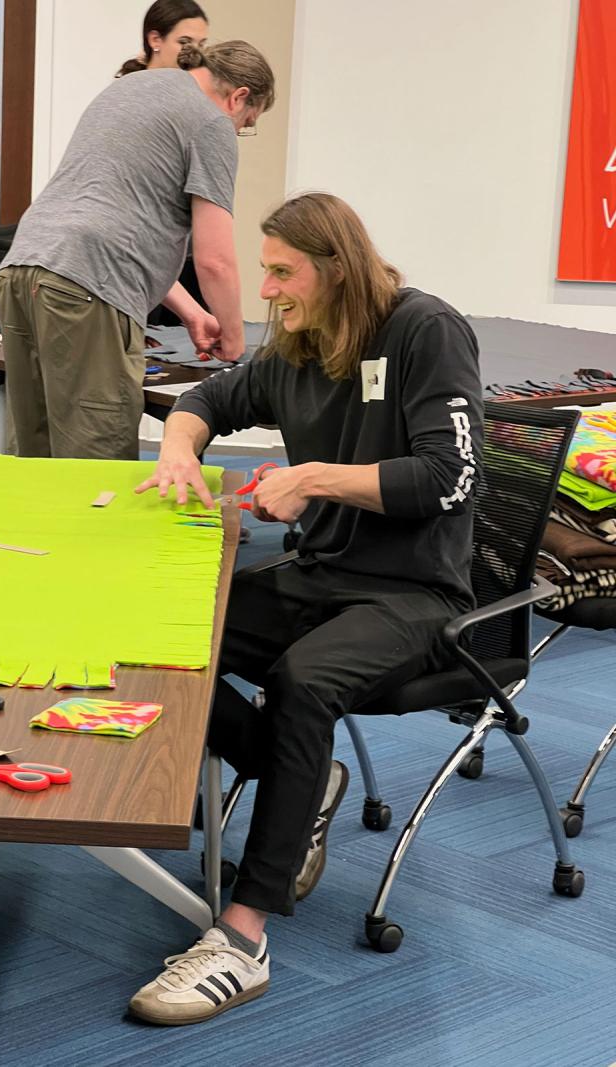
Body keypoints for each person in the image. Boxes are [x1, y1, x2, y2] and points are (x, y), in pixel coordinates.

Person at [129, 192, 484, 1025]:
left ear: (334, 266)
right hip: (321, 574)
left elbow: (450, 477)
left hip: (417, 592)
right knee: (163, 634)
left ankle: (243, 936)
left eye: (283, 272)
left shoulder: (425, 330)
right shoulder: (298, 342)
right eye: (265, 270)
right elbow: (209, 399)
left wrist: (313, 477)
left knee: (303, 681)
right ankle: (302, 772)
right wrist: (181, 447)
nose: (269, 289)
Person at [0, 41, 274, 460]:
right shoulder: (212, 123)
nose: (239, 131)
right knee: (94, 457)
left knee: (35, 453)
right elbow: (214, 259)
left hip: (23, 267)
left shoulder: (134, 87)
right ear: (239, 97)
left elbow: (120, 228)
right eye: (247, 123)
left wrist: (195, 314)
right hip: (84, 291)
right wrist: (233, 342)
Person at [116, 1, 209, 77]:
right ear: (155, 40)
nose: (197, 55)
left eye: (201, 44)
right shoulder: (128, 91)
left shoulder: (203, 93)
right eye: (184, 42)